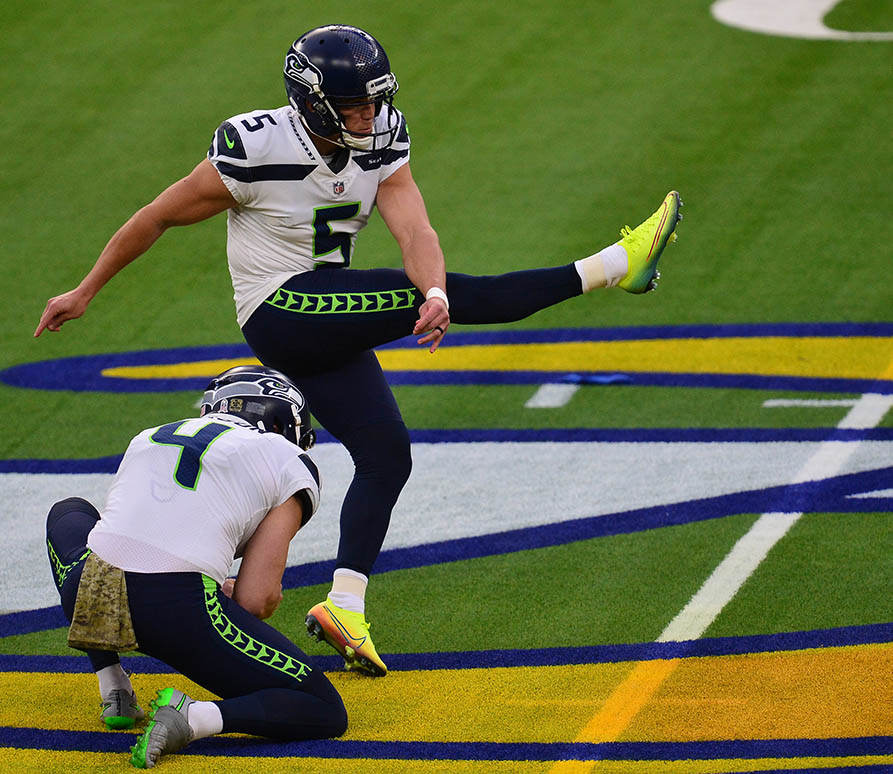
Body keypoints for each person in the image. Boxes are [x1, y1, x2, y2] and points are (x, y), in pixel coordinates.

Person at [35, 24, 682, 678]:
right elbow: (157, 215)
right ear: (312, 103)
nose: (369, 116)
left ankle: (345, 604)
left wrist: (428, 288)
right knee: (467, 295)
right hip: (280, 308)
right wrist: (87, 289)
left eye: (374, 102)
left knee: (386, 453)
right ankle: (613, 266)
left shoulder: (381, 141)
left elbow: (414, 227)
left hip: (322, 316)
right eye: (354, 107)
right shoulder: (254, 147)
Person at [45, 365, 346, 769]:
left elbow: (127, 534)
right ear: (283, 422)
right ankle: (196, 717)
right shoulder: (290, 460)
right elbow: (256, 599)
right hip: (177, 609)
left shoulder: (148, 436)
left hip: (90, 586)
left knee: (68, 511)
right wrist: (218, 589)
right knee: (323, 708)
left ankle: (112, 685)